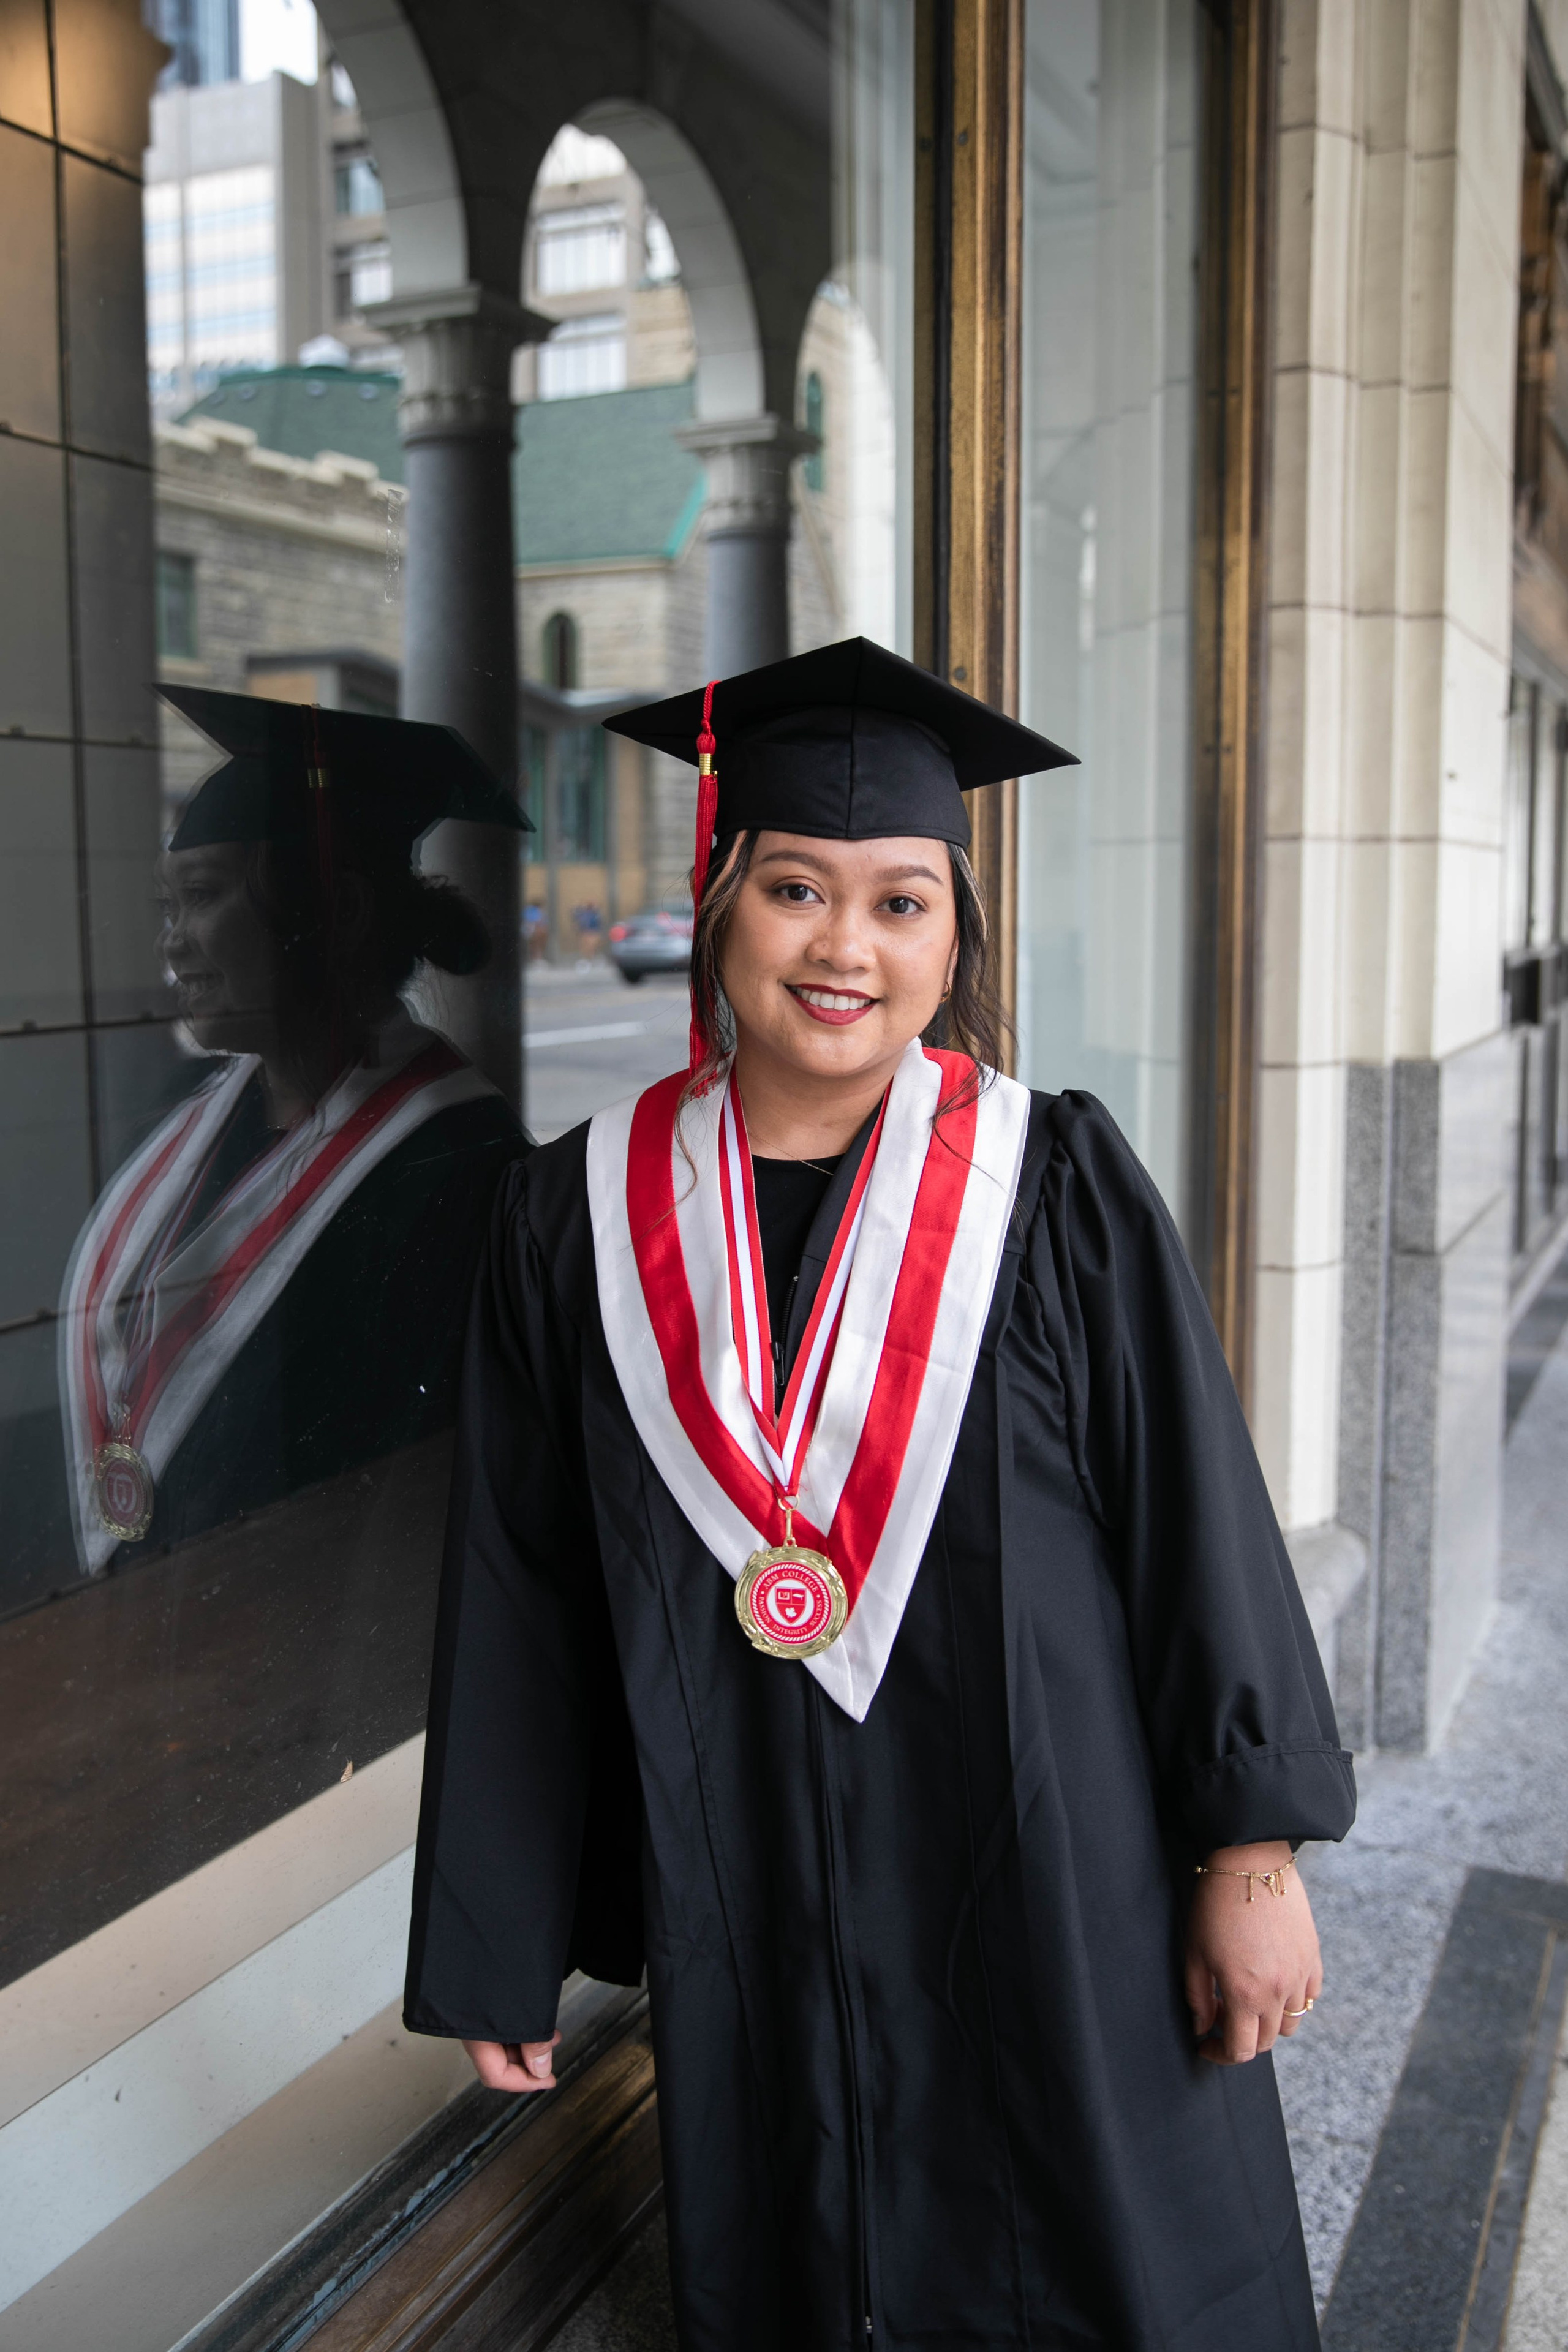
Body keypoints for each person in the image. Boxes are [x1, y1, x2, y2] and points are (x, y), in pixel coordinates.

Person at [404, 638, 1355, 2351]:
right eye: (796, 890)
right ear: (721, 904)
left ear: (954, 937)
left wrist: (1253, 1850)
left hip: (1060, 1884)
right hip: (753, 1884)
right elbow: (522, 1588)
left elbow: (1190, 1519)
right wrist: (497, 1925)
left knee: (1107, 2267)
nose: (847, 948)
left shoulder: (1049, 1183)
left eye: (903, 903)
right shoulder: (574, 1222)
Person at [58, 687, 529, 1573]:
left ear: (338, 915)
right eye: (170, 906)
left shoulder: (467, 1170)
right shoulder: (182, 1107)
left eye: (200, 898)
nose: (175, 944)